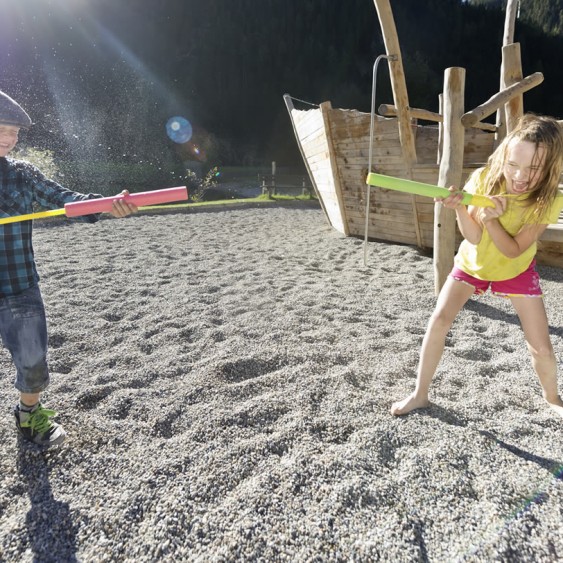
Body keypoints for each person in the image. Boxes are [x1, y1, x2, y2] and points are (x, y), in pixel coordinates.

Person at [391, 114, 563, 419]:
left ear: (549, 168)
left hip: (515, 269)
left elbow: (513, 251)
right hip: (472, 265)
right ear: (505, 157)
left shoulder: (548, 200)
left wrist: (492, 221)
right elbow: (472, 235)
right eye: (514, 165)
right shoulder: (484, 178)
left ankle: (552, 397)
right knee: (439, 320)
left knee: (541, 347)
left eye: (533, 169)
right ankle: (419, 394)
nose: (520, 176)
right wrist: (459, 210)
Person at [0, 89, 138, 447]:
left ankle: (29, 415)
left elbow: (65, 200)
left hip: (18, 286)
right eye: (2, 129)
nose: (10, 139)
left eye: (14, 131)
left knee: (33, 361)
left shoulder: (23, 174)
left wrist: (108, 205)